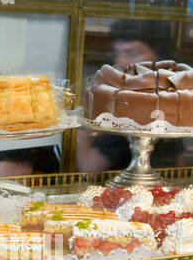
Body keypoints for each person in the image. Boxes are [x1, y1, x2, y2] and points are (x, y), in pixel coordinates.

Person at [76, 18, 177, 175]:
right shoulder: (162, 99)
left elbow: (88, 166)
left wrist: (81, 127)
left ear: (159, 57)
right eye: (117, 54)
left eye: (133, 54)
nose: (121, 62)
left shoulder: (133, 110)